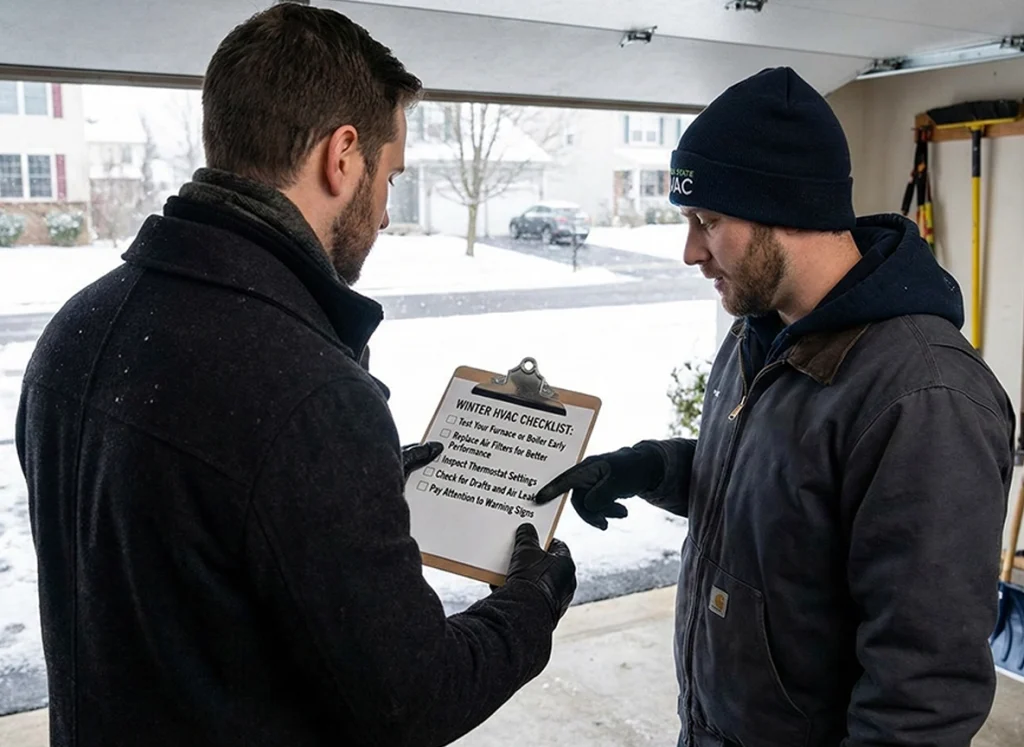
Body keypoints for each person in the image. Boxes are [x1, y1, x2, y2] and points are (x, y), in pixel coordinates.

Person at [16, 5, 575, 746]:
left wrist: (345, 492)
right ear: (342, 156)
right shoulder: (310, 394)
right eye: (390, 176)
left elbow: (179, 550)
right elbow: (413, 699)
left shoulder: (75, 327)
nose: (384, 213)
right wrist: (532, 605)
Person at [535, 67, 1016, 747]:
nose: (690, 252)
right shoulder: (760, 333)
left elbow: (922, 693)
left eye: (708, 222)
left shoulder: (925, 398)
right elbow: (783, 492)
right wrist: (652, 468)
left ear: (786, 208)